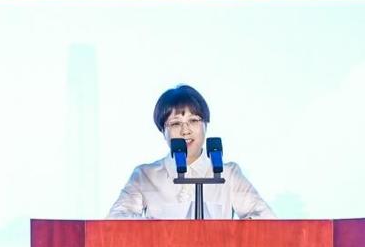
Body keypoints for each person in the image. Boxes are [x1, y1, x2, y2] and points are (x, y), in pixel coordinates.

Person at [107, 85, 275, 220]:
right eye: (175, 124)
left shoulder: (229, 174)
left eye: (193, 121)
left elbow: (266, 219)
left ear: (206, 125)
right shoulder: (145, 175)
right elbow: (115, 220)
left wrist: (233, 233)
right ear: (163, 131)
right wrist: (156, 232)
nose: (185, 131)